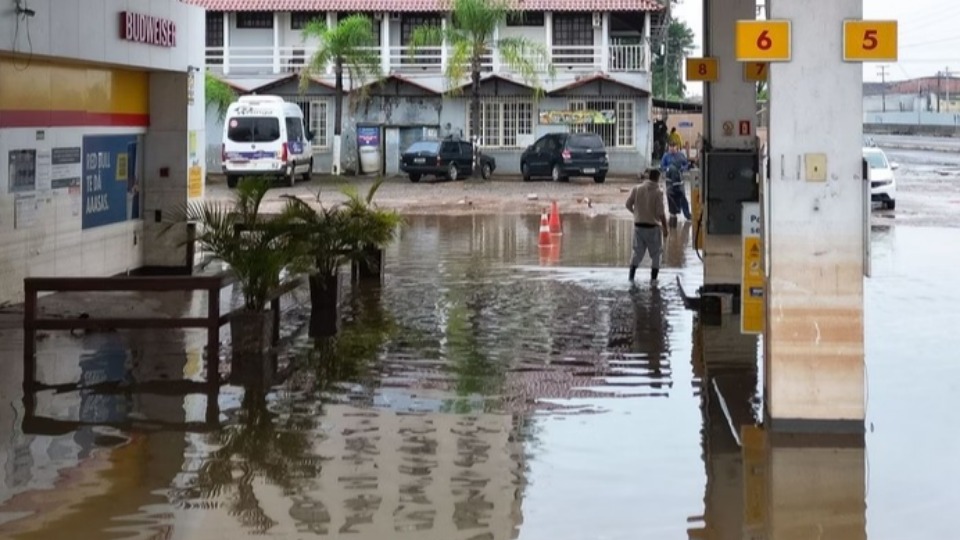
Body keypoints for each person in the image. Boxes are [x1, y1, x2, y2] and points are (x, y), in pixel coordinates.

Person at [625, 169, 669, 282]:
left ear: (648, 177)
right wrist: (665, 228)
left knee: (637, 253)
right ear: (658, 178)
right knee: (656, 255)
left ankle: (631, 277)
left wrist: (635, 213)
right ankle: (653, 281)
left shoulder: (637, 188)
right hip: (653, 228)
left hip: (638, 227)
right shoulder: (658, 192)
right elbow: (661, 213)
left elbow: (628, 204)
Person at [660, 144, 692, 220]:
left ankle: (687, 214)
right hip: (669, 181)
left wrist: (683, 168)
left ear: (676, 148)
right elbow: (662, 166)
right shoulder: (666, 156)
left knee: (682, 197)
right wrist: (668, 169)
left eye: (673, 147)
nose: (672, 149)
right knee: (671, 197)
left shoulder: (681, 155)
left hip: (679, 180)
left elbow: (686, 164)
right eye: (670, 148)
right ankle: (673, 214)